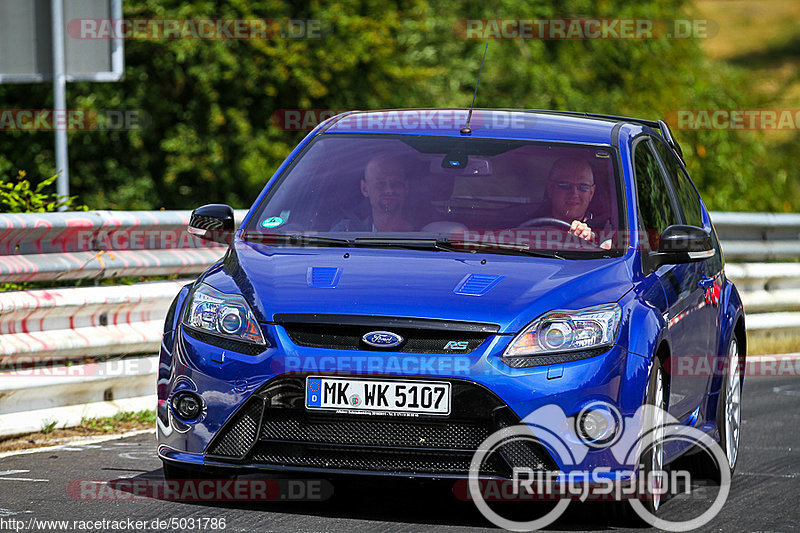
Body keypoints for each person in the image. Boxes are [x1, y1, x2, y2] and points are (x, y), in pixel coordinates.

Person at [331, 154, 414, 232]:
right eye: (380, 184)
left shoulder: (423, 236)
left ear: (406, 187)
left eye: (396, 183)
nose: (389, 190)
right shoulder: (345, 234)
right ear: (365, 189)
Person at [542, 157, 611, 249]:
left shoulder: (607, 230)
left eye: (583, 187)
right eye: (565, 185)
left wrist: (592, 245)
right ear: (550, 189)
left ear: (591, 193)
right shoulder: (528, 227)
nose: (574, 194)